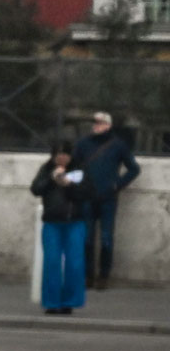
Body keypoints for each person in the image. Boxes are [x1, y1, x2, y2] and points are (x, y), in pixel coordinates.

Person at [68, 110, 141, 288]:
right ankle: (88, 275)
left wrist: (117, 185)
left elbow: (134, 169)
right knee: (87, 239)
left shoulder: (118, 145)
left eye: (99, 123)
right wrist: (79, 185)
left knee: (106, 239)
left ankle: (104, 276)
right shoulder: (83, 144)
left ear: (108, 125)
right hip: (87, 197)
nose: (96, 126)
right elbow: (73, 166)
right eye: (94, 123)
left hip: (108, 198)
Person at [31, 141, 91, 315]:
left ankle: (69, 301)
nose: (62, 158)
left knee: (74, 263)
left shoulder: (79, 169)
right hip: (52, 222)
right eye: (58, 154)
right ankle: (51, 302)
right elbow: (36, 189)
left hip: (74, 222)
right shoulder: (46, 169)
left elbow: (87, 192)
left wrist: (68, 185)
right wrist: (52, 179)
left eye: (65, 154)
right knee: (51, 262)